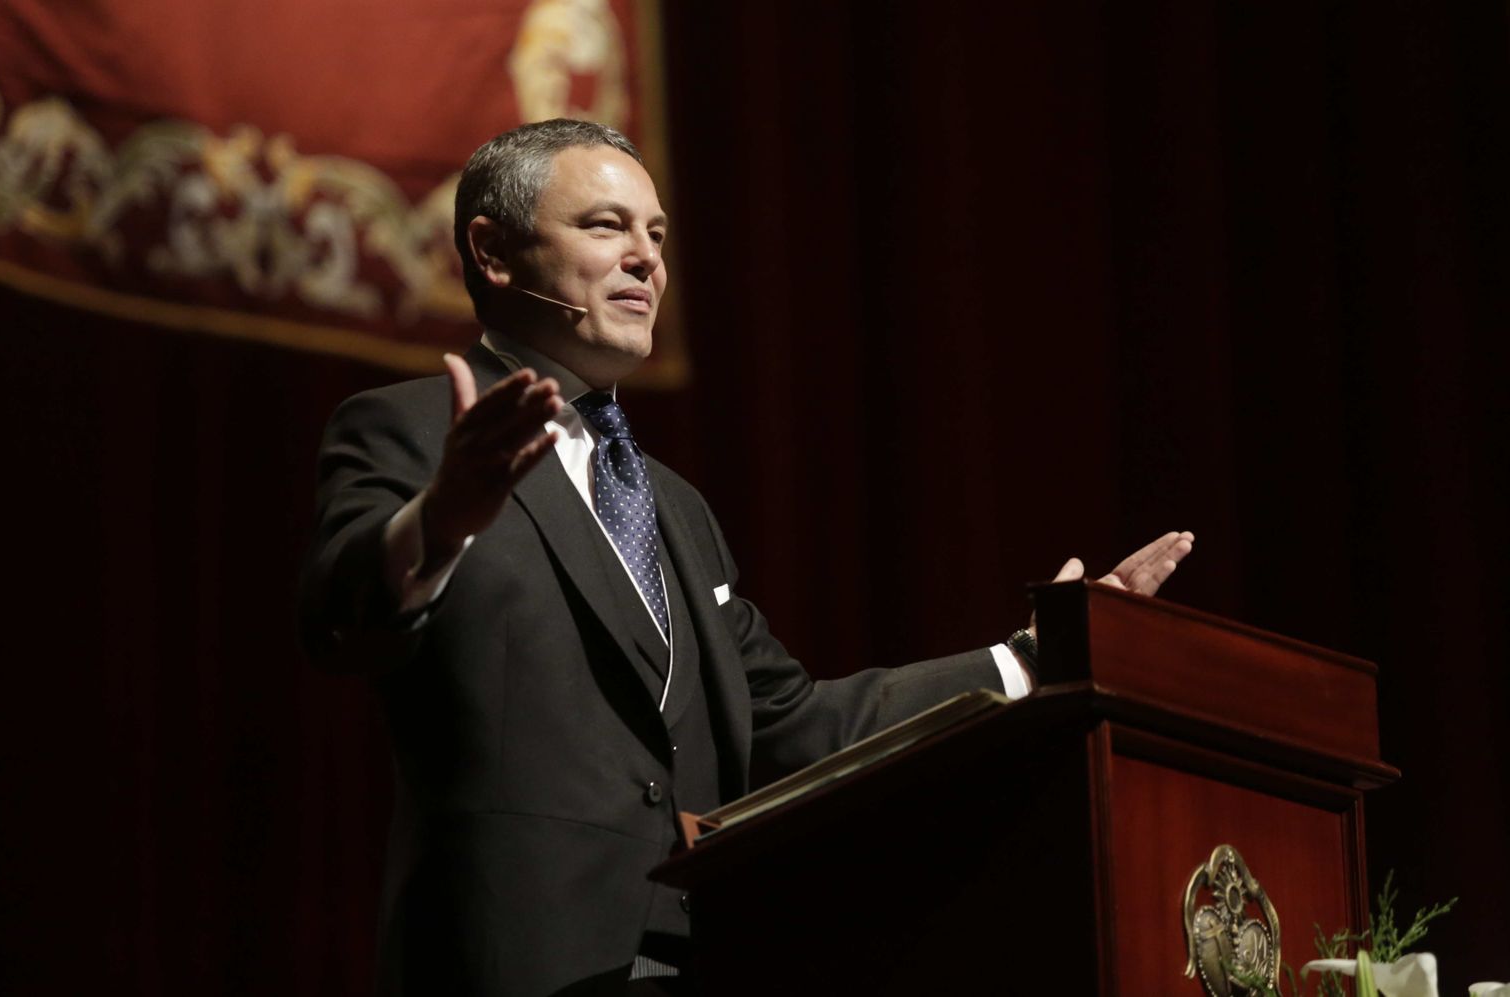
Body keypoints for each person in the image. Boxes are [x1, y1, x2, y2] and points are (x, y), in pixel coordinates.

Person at [299, 119, 1193, 997]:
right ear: (492, 251)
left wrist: (1033, 656)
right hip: (513, 960)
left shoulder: (675, 506)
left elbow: (790, 725)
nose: (648, 259)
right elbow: (340, 620)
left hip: (705, 957)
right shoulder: (410, 429)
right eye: (606, 226)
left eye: (657, 234)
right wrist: (442, 519)